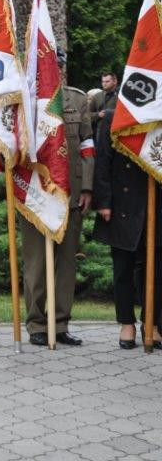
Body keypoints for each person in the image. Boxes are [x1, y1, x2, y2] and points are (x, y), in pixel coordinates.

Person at [19, 49, 93, 347]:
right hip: (36, 196)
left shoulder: (76, 99)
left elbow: (88, 147)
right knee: (36, 264)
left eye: (57, 63)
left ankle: (60, 323)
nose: (53, 68)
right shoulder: (24, 101)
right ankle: (37, 323)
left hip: (70, 194)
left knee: (66, 264)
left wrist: (87, 188)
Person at [90, 110, 162, 350]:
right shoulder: (115, 116)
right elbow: (103, 161)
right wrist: (104, 201)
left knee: (156, 270)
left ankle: (151, 323)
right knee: (123, 267)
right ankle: (126, 323)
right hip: (123, 204)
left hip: (156, 201)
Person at [90, 71, 119, 136]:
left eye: (107, 81)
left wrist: (111, 113)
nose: (104, 84)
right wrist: (98, 115)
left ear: (115, 81)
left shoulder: (120, 96)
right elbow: (88, 114)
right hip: (100, 132)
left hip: (116, 131)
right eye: (103, 81)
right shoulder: (97, 96)